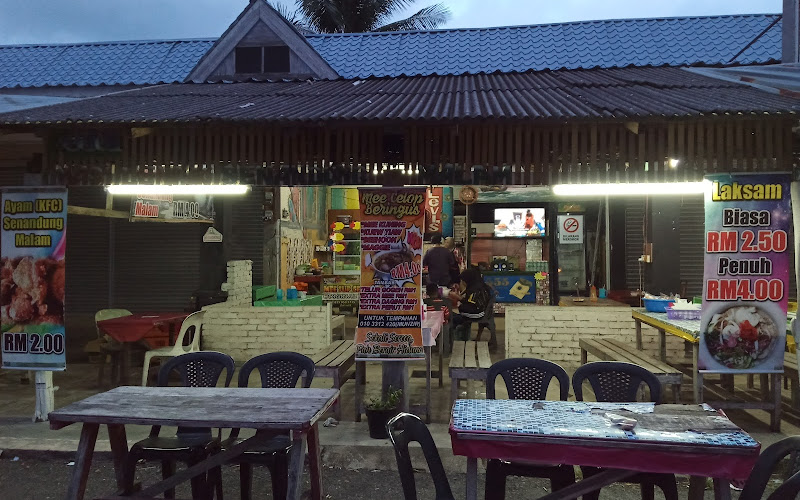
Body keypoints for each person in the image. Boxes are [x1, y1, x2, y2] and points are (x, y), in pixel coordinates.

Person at [452, 268, 491, 341]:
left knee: (453, 317)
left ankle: (456, 337)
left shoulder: (475, 289)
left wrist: (458, 297)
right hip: (482, 311)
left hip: (477, 314)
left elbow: (470, 303)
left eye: (463, 280)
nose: (462, 282)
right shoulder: (479, 284)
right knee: (455, 314)